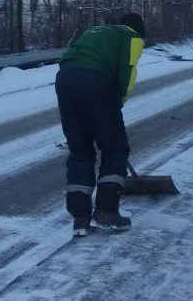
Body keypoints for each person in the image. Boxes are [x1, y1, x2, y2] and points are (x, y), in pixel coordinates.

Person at [55, 12, 145, 236]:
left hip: (65, 79)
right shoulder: (132, 36)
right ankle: (106, 211)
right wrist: (116, 105)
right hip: (96, 81)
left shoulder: (96, 32)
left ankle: (80, 218)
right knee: (114, 147)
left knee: (80, 148)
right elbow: (128, 74)